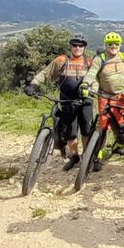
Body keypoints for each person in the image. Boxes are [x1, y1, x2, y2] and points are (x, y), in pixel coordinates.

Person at [25, 33, 92, 172]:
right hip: (66, 100)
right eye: (75, 45)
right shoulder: (61, 60)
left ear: (84, 47)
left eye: (81, 45)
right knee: (70, 132)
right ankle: (74, 157)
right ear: (70, 46)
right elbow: (45, 73)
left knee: (86, 130)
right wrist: (33, 84)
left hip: (85, 101)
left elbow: (96, 79)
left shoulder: (89, 62)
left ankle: (87, 156)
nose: (77, 48)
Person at [83, 31, 124, 173]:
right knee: (102, 126)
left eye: (116, 44)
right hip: (104, 96)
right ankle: (98, 155)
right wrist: (85, 85)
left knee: (120, 124)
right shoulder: (100, 59)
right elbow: (91, 74)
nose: (113, 46)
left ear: (120, 45)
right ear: (105, 45)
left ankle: (120, 145)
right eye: (110, 44)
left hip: (122, 97)